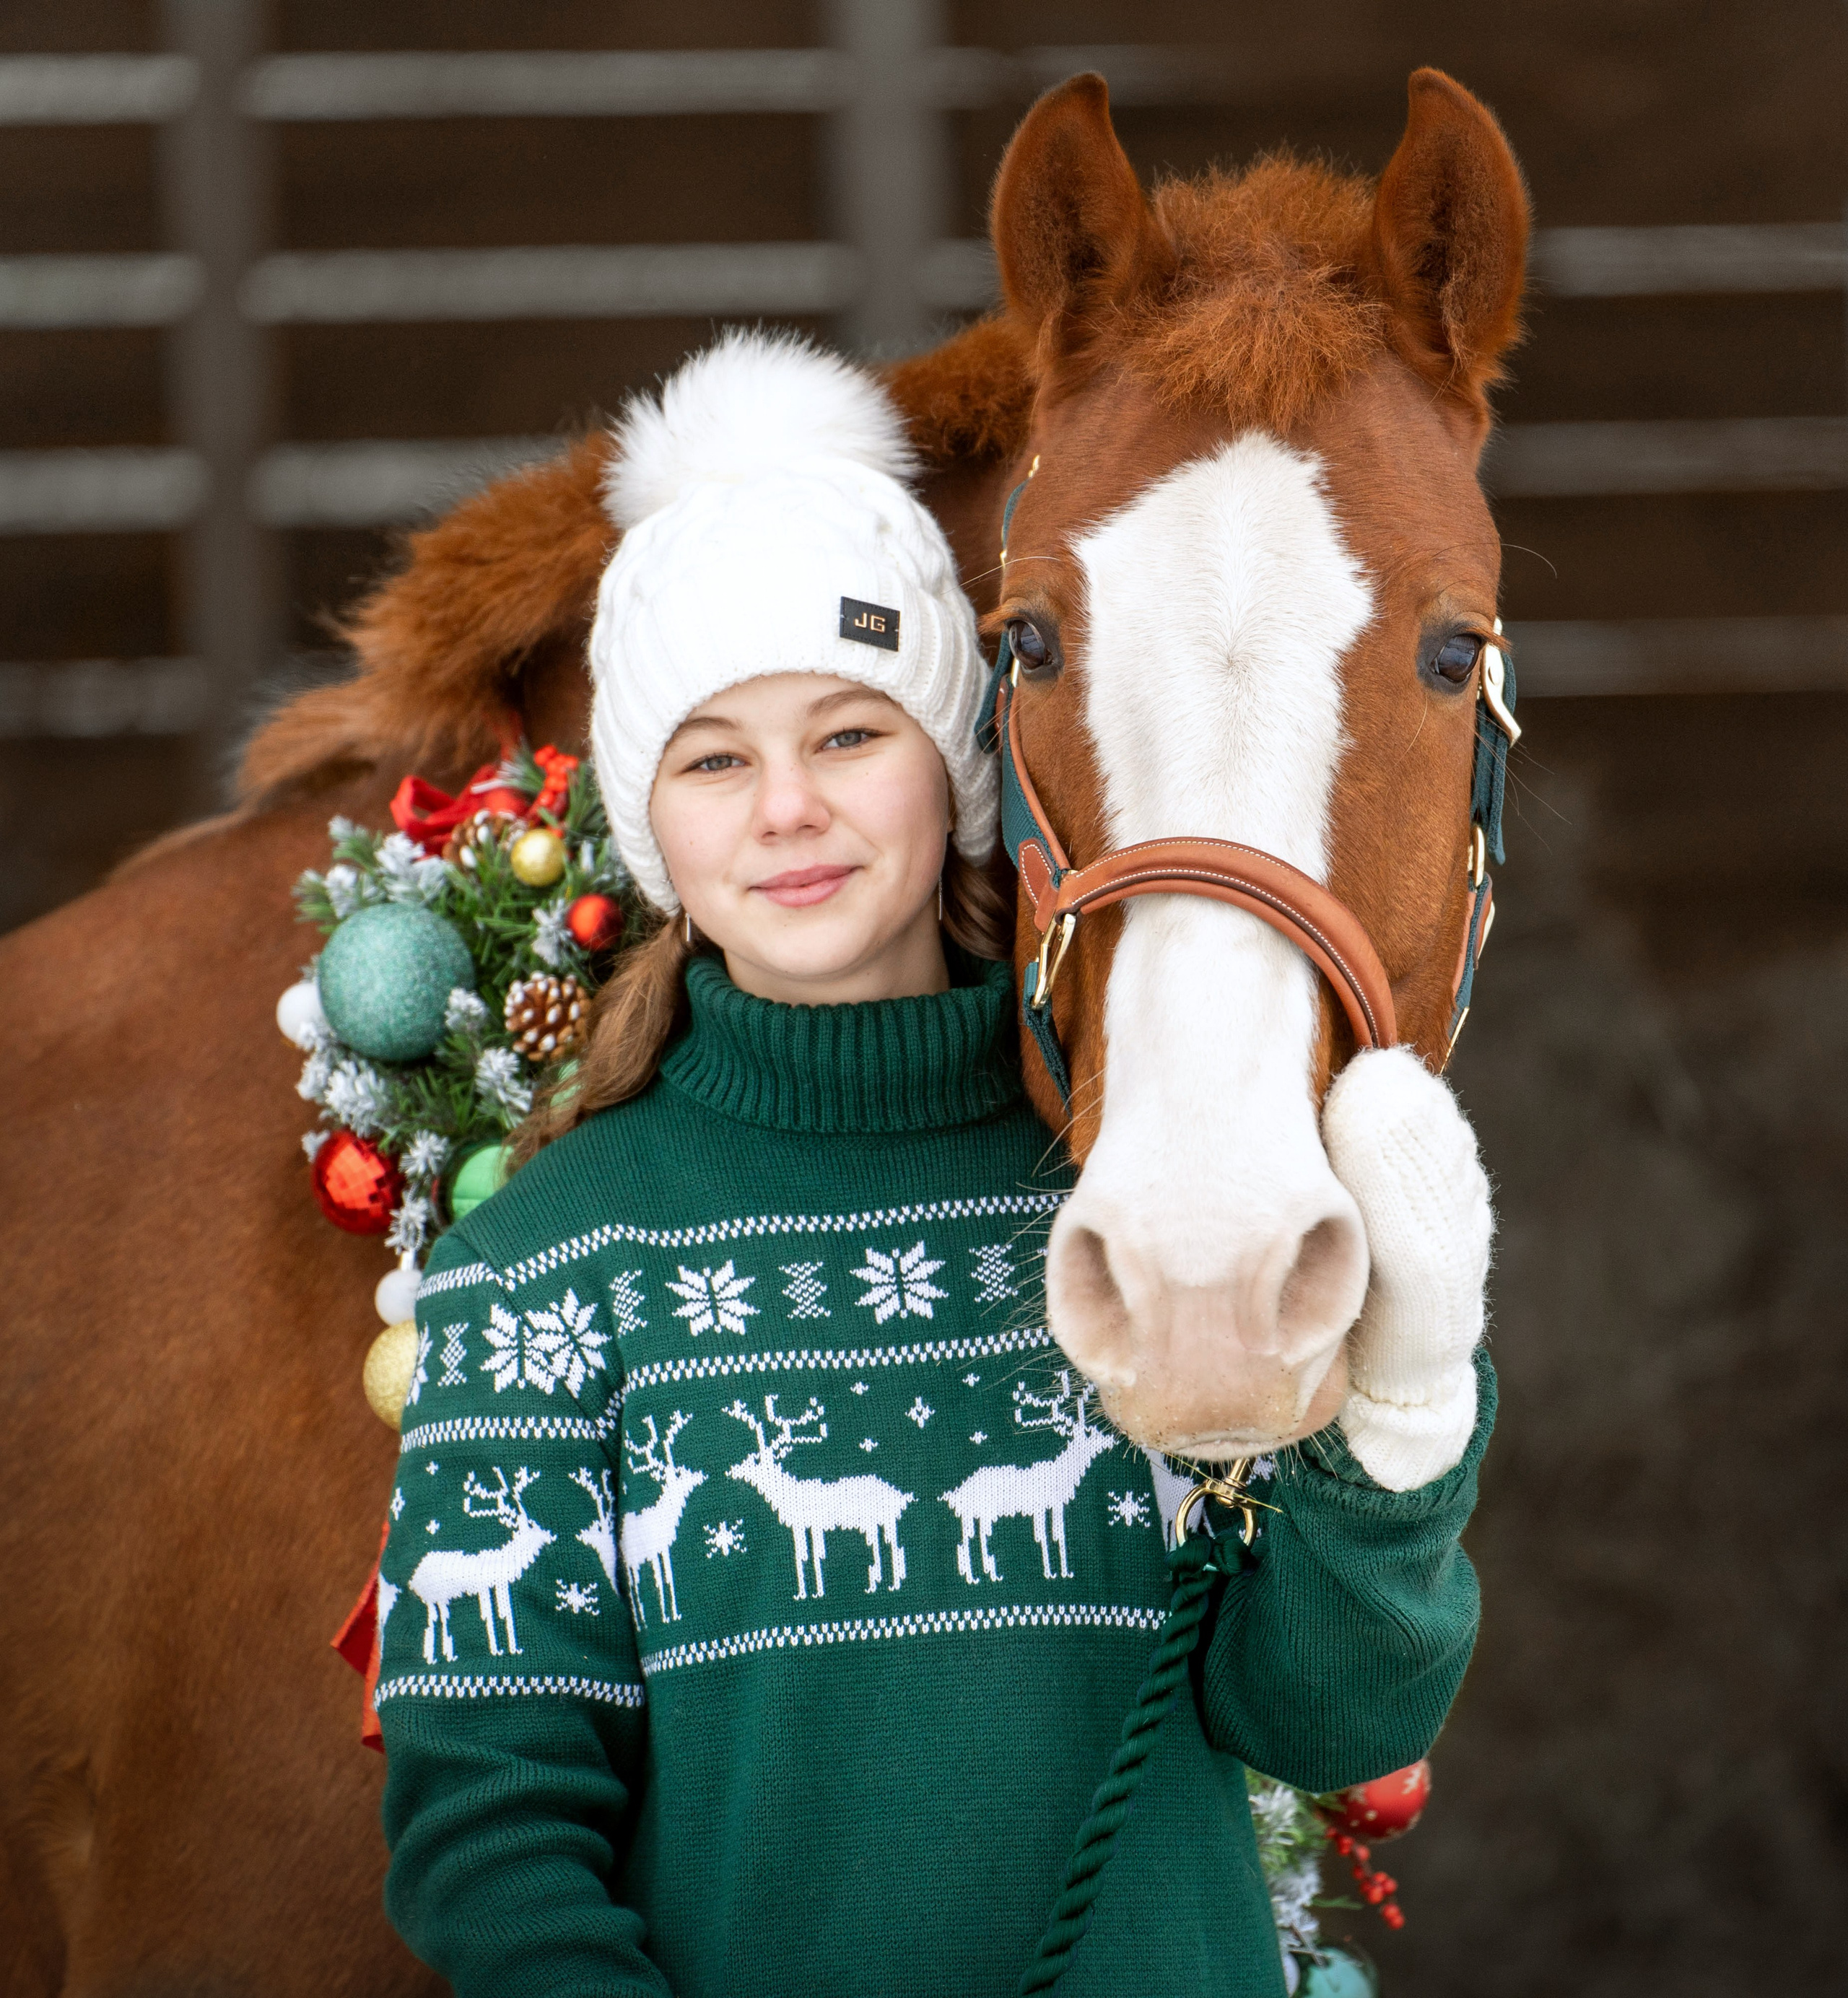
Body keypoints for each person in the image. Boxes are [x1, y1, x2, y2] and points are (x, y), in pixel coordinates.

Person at [373, 330, 1496, 1998]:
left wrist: (1400, 1409)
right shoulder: (541, 1270)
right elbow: (489, 1831)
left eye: (847, 735)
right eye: (712, 757)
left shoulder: (1132, 1209)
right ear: (649, 821)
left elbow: (1326, 1720)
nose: (785, 809)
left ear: (959, 768)